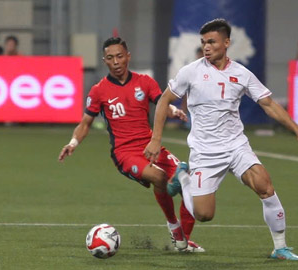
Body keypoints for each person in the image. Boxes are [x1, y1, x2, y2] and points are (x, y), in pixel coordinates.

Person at [144, 19, 298, 260]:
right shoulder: (191, 72)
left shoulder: (241, 74)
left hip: (236, 146)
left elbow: (268, 104)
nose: (206, 47)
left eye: (212, 42)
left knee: (265, 186)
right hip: (205, 152)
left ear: (226, 43)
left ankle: (280, 248)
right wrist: (156, 138)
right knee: (204, 215)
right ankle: (183, 177)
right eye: (203, 42)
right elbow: (164, 100)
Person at [58, 37, 204, 252]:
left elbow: (161, 102)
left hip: (150, 146)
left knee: (188, 183)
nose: (116, 61)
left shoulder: (145, 82)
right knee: (160, 177)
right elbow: (85, 123)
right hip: (125, 153)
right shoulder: (99, 90)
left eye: (119, 56)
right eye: (110, 58)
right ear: (104, 61)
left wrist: (173, 110)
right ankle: (174, 226)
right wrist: (73, 142)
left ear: (128, 56)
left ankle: (183, 240)